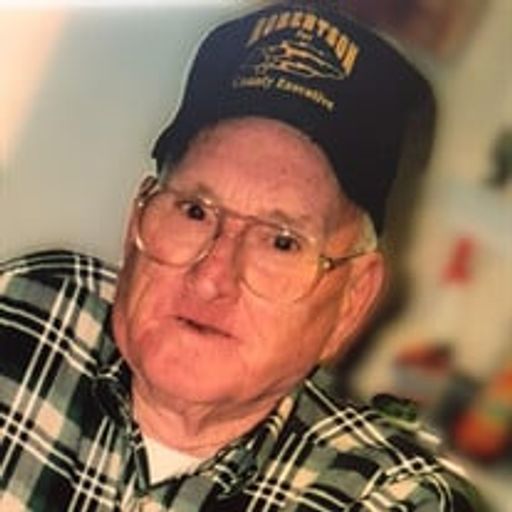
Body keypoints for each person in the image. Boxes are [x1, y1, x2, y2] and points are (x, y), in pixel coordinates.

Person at [0, 1, 482, 510]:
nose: (211, 276)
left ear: (352, 300)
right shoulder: (24, 314)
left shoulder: (392, 500)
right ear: (136, 219)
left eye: (281, 241)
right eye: (194, 211)